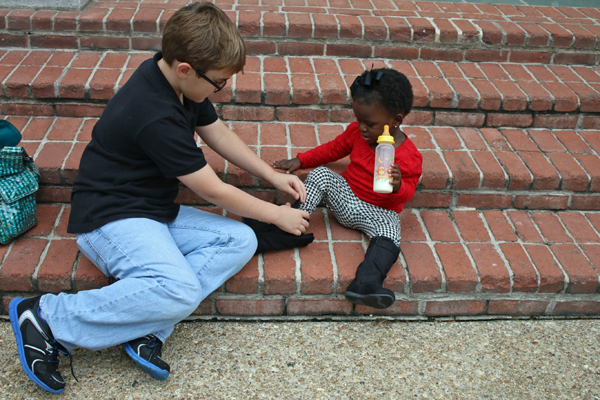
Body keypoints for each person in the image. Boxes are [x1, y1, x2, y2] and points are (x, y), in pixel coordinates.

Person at [8, 2, 310, 394]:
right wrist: (275, 215)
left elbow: (218, 134)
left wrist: (271, 174)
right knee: (180, 288)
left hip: (151, 210)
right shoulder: (154, 113)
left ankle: (145, 328)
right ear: (186, 68)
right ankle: (47, 317)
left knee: (241, 240)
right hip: (110, 219)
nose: (221, 88)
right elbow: (212, 189)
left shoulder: (176, 80)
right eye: (218, 82)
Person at [273, 68, 422, 310]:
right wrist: (302, 160)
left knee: (392, 229)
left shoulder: (409, 156)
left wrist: (398, 186)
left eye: (370, 123)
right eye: (358, 120)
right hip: (346, 197)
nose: (362, 128)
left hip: (377, 212)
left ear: (396, 121)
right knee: (321, 174)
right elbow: (333, 149)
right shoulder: (357, 134)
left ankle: (367, 282)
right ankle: (290, 225)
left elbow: (409, 193)